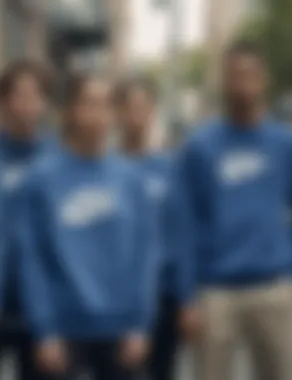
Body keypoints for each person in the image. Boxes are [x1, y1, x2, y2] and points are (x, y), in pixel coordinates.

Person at [174, 41, 292, 380]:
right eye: (234, 76)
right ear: (224, 82)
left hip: (273, 288)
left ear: (264, 80)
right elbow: (186, 225)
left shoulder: (288, 145)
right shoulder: (200, 147)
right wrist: (187, 295)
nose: (242, 85)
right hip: (216, 293)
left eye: (250, 75)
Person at [16, 73, 157, 380]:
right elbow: (32, 260)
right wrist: (44, 329)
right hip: (63, 330)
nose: (99, 114)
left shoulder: (130, 180)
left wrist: (140, 324)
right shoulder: (41, 178)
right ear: (69, 111)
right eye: (89, 104)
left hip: (120, 329)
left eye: (107, 105)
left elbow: (144, 255)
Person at [0, 60, 55, 380]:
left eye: (36, 95)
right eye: (19, 95)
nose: (28, 104)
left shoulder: (56, 157)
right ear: (1, 101)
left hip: (42, 306)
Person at [115, 78, 178, 380]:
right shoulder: (106, 170)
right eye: (128, 108)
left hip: (163, 293)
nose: (135, 116)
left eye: (142, 108)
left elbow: (182, 232)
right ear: (117, 113)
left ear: (152, 112)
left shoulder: (169, 169)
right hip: (119, 296)